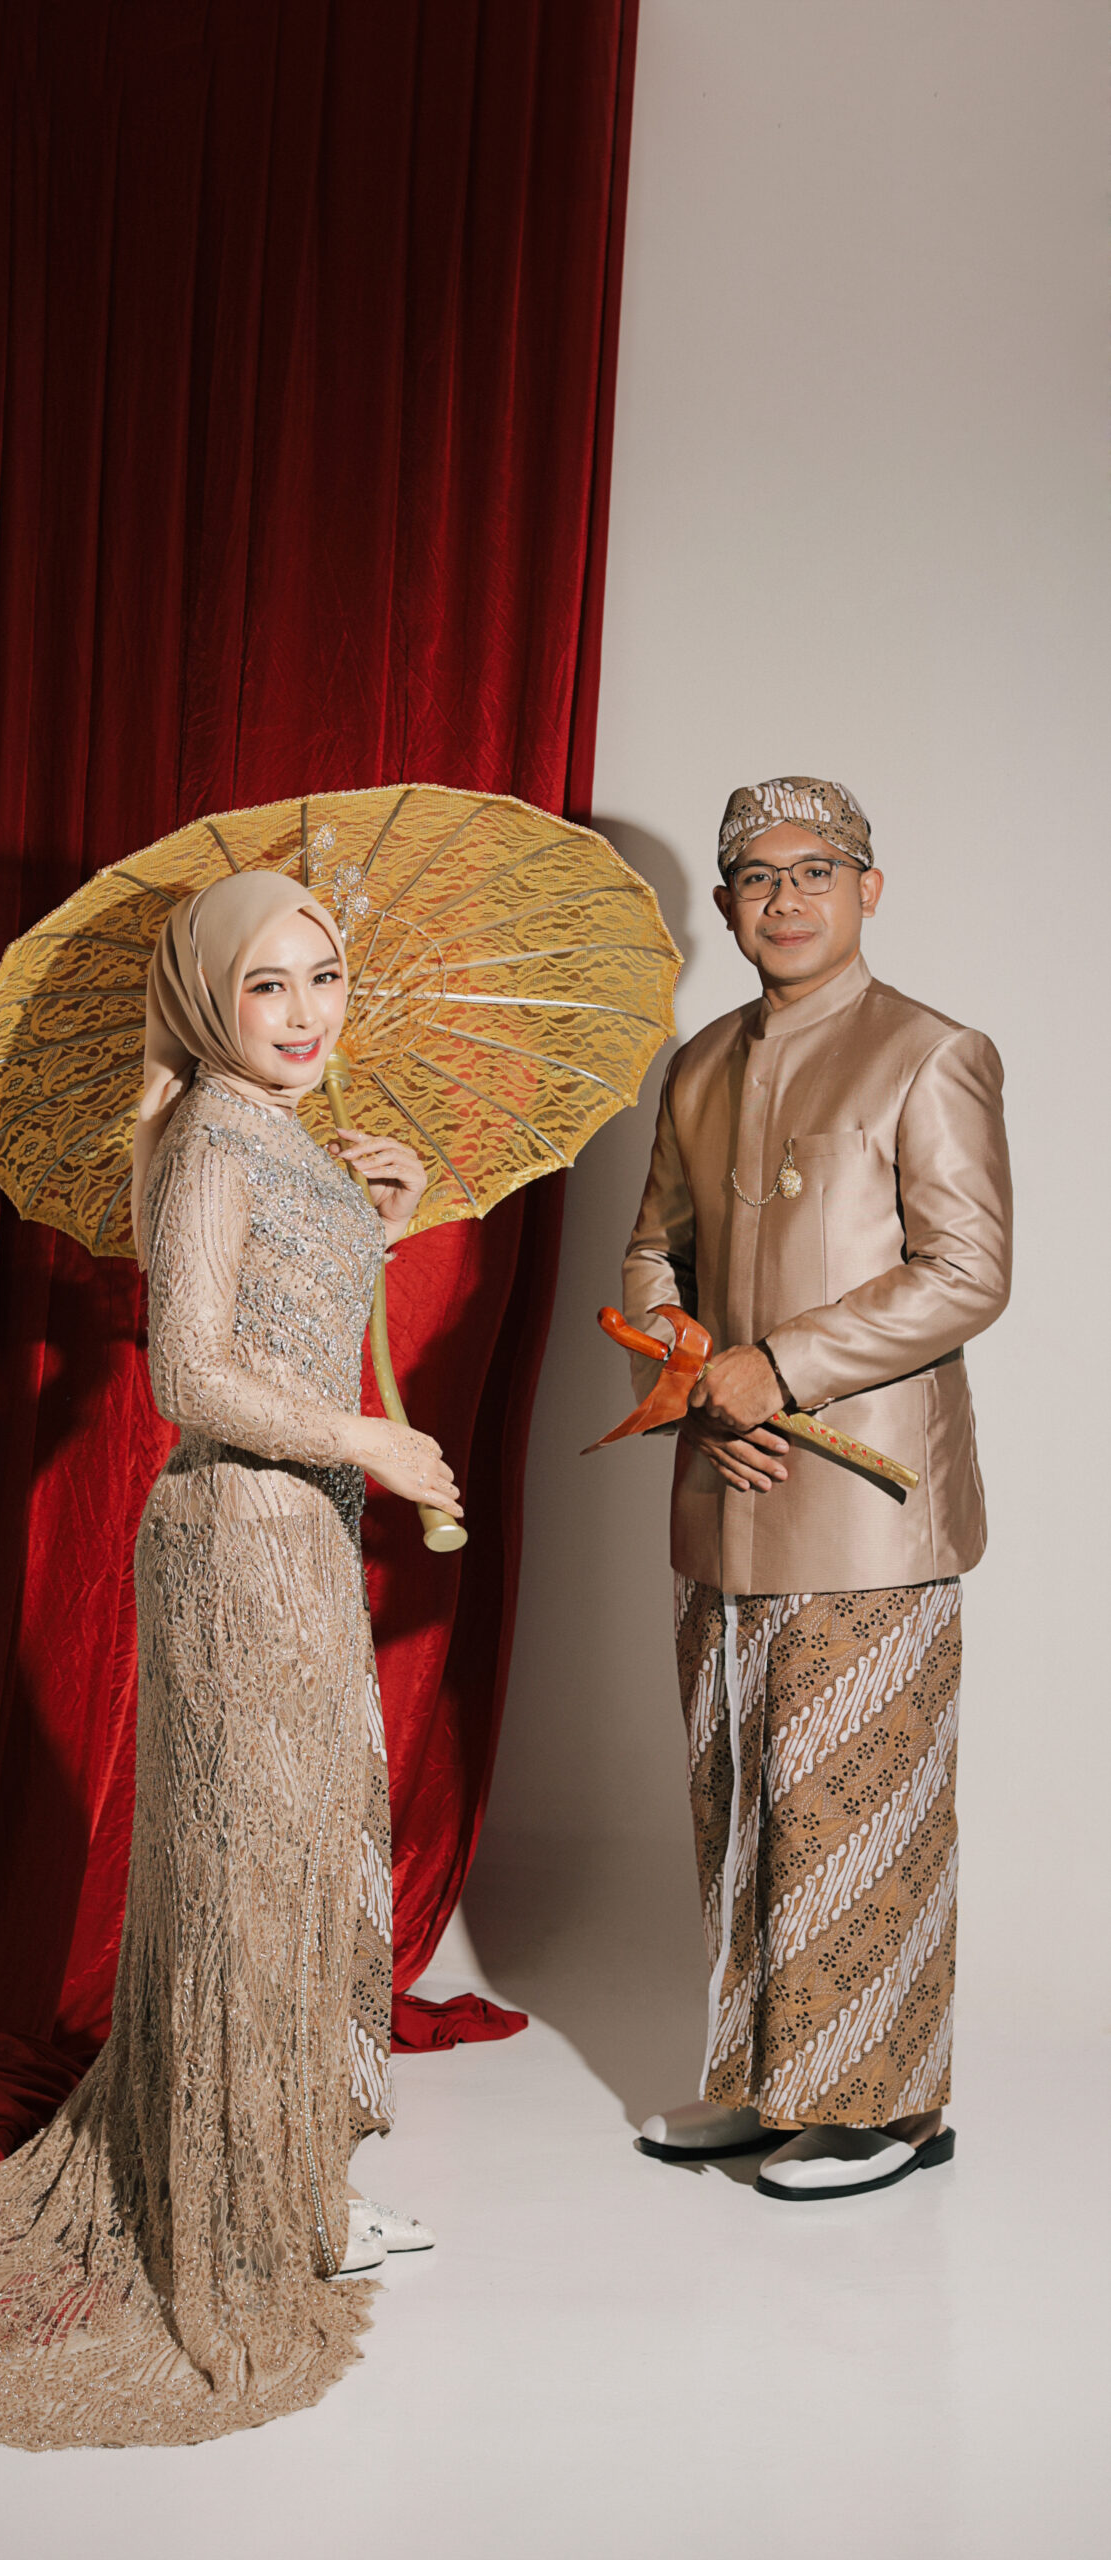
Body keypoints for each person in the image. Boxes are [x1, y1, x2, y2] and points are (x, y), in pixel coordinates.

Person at [0, 869, 459, 2445]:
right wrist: (368, 1443)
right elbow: (192, 1376)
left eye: (325, 975)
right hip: (238, 1539)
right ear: (205, 998)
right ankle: (229, 2225)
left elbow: (282, 1318)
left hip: (299, 1537)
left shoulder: (279, 1133)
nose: (307, 1014)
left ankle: (285, 2191)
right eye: (267, 984)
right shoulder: (206, 1138)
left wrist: (377, 1220)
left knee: (298, 1860)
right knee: (247, 1876)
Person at [622, 778, 1011, 2201]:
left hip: (869, 1505)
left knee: (858, 1804)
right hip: (722, 1489)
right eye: (755, 877)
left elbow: (968, 1272)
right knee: (741, 1802)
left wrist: (777, 1366)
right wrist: (693, 1378)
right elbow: (651, 1256)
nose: (784, 899)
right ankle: (765, 2083)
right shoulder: (699, 1065)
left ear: (867, 889)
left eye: (814, 871)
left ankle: (880, 2110)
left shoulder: (931, 1052)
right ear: (727, 907)